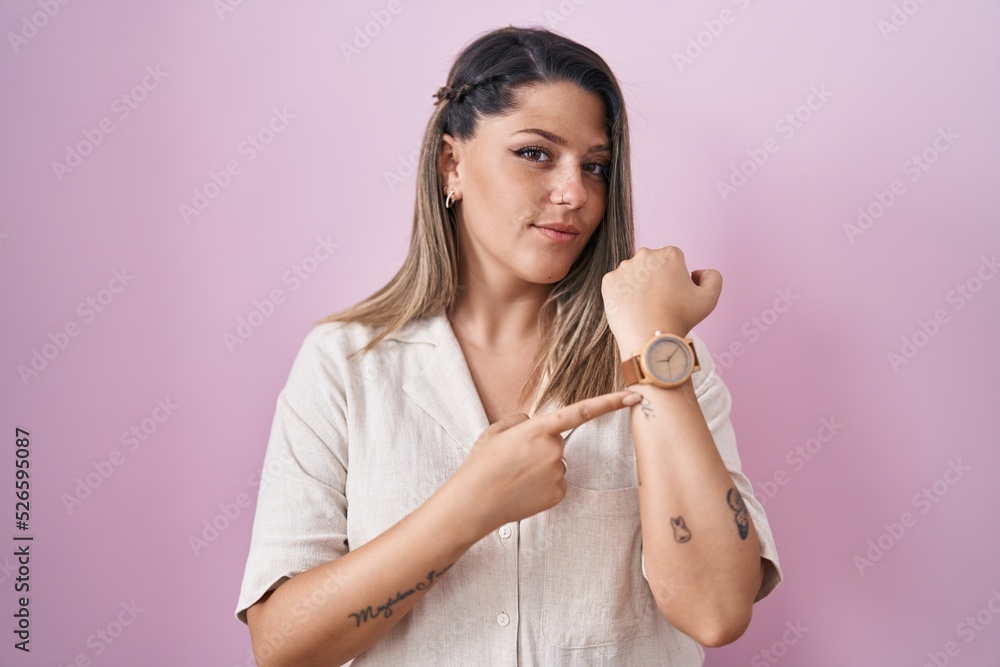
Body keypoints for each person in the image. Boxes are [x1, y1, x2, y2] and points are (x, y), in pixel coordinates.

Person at [235, 25, 782, 666]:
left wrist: (653, 344)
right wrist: (471, 507)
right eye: (535, 153)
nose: (574, 192)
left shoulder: (660, 358)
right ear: (452, 166)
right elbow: (282, 647)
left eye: (595, 166)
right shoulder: (346, 363)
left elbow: (716, 612)